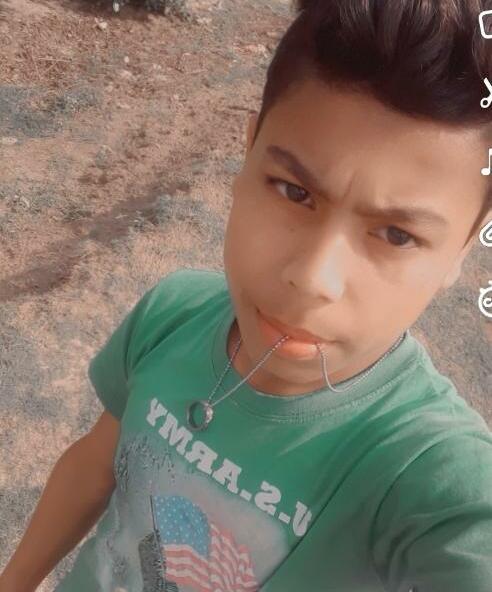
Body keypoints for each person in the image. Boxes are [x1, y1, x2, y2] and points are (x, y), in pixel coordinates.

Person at [1, 0, 492, 591]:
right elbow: (95, 466)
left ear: (462, 251)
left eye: (396, 235)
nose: (312, 278)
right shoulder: (172, 313)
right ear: (249, 147)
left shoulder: (427, 468)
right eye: (294, 191)